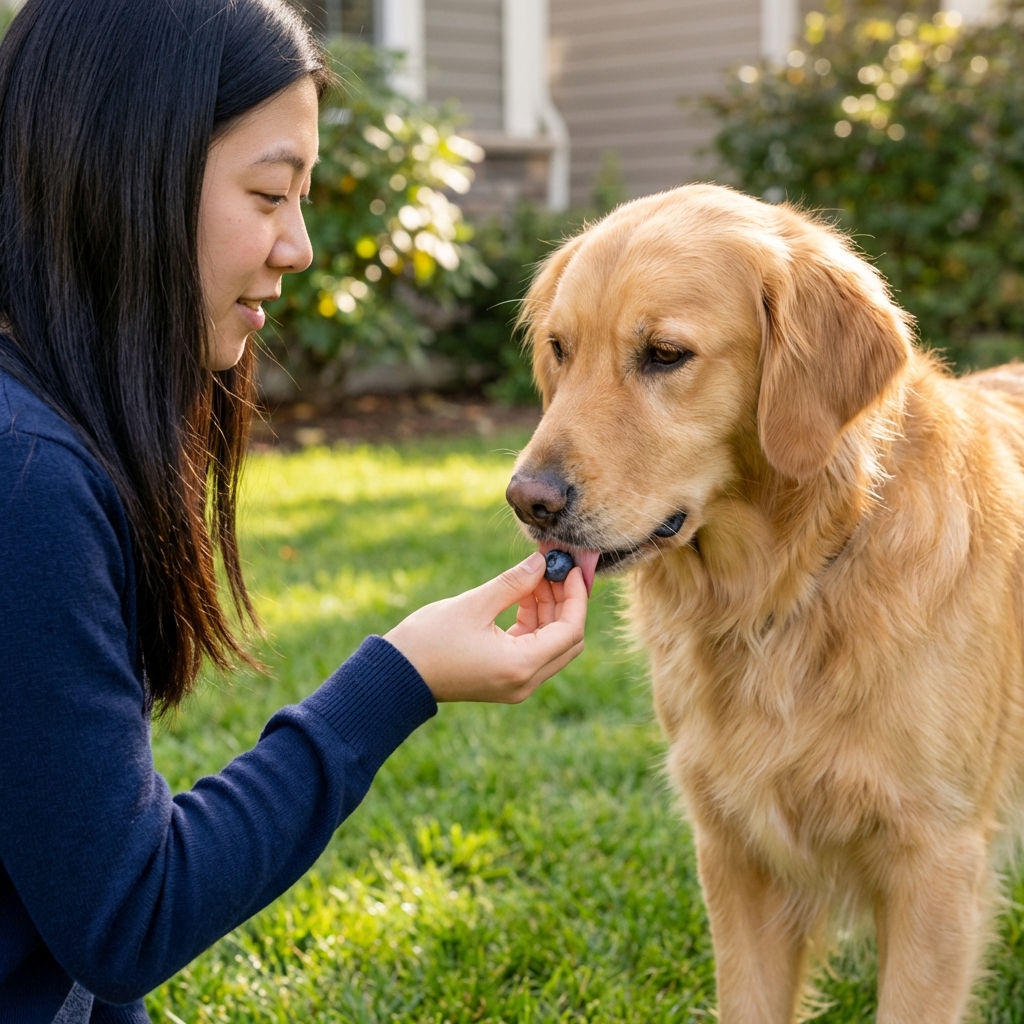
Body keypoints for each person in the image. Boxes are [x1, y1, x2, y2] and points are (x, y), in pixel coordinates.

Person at [0, 1, 588, 1020]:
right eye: (271, 193)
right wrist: (398, 679)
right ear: (124, 172)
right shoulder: (25, 482)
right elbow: (129, 914)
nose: (298, 245)